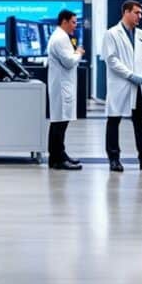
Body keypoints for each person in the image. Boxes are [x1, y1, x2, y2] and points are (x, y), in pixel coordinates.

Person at [103, 0, 142, 172]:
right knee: (114, 120)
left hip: (139, 85)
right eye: (136, 12)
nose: (140, 16)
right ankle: (114, 159)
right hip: (121, 84)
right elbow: (111, 59)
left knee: (141, 122)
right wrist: (130, 75)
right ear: (126, 12)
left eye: (140, 13)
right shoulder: (112, 34)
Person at [47, 9, 85, 171]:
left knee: (59, 122)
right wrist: (78, 53)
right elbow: (69, 62)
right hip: (62, 87)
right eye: (73, 22)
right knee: (60, 124)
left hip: (62, 85)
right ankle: (58, 159)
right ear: (64, 21)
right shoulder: (60, 38)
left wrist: (74, 53)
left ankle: (58, 155)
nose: (75, 26)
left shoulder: (61, 36)